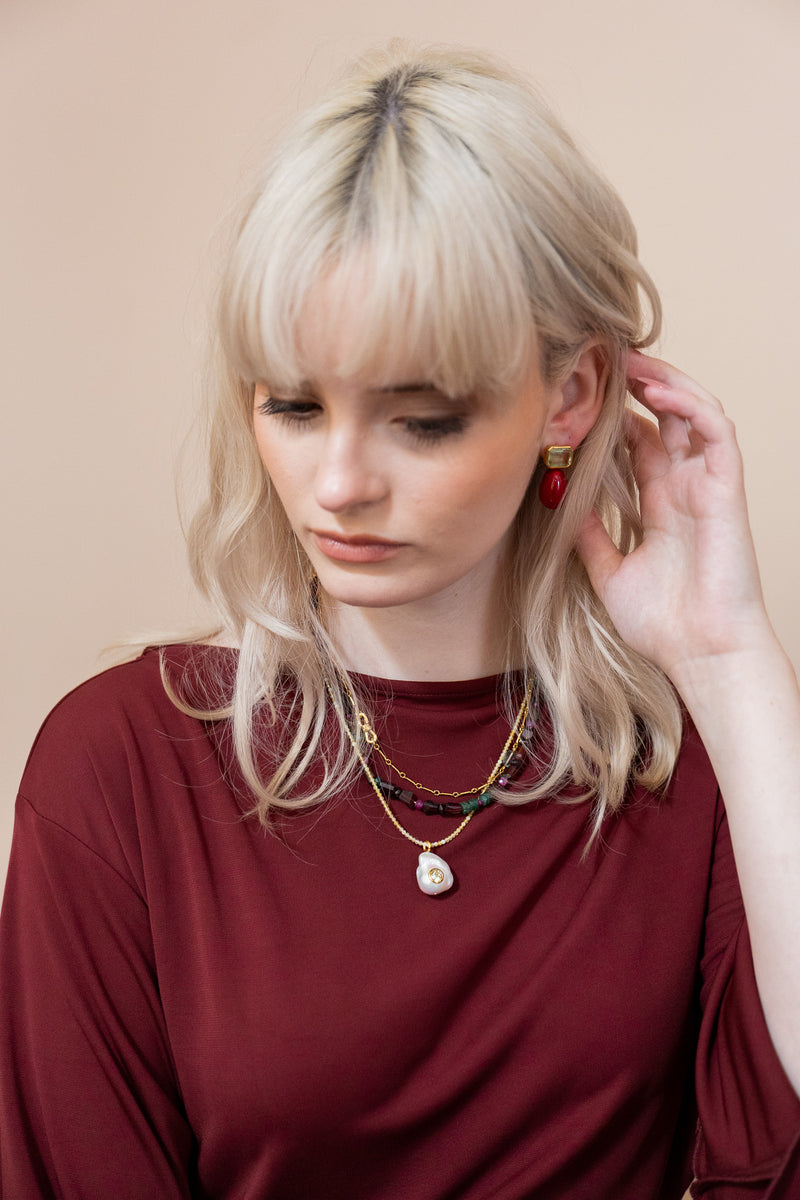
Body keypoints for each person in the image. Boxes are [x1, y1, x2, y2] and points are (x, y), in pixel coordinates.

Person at [1, 42, 799, 1200]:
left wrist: (726, 659)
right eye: (292, 406)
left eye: (420, 419)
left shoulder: (695, 762)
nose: (337, 485)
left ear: (570, 395)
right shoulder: (120, 768)